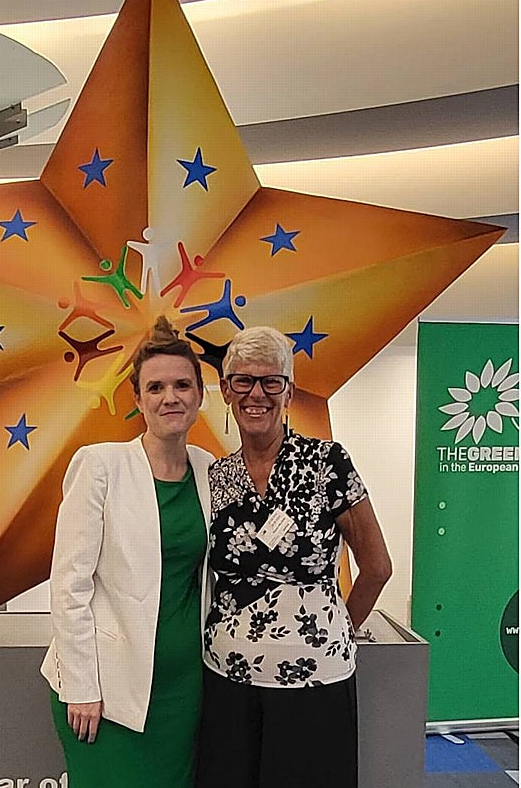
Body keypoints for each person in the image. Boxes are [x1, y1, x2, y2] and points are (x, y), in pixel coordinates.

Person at [197, 326, 392, 788]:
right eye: (243, 381)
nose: (256, 394)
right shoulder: (216, 475)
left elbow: (377, 565)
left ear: (288, 392)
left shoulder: (328, 462)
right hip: (228, 679)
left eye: (271, 382)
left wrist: (335, 628)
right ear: (226, 391)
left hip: (314, 683)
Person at [41, 316, 214, 788]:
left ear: (200, 395)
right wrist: (81, 686)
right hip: (104, 691)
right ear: (137, 399)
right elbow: (69, 584)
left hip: (183, 692)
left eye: (182, 385)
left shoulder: (208, 469)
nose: (170, 397)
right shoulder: (100, 465)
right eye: (155, 387)